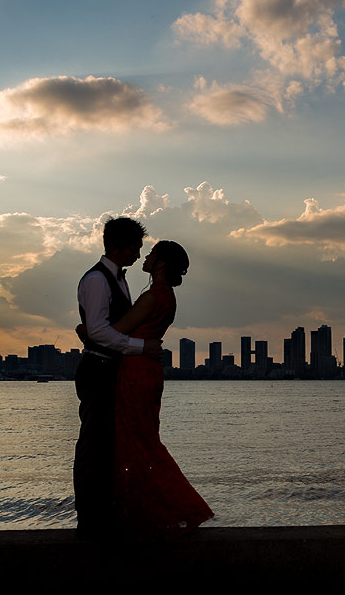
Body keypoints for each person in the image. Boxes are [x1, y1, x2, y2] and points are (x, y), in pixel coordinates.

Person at [106, 239, 214, 533]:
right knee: (144, 439)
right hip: (149, 372)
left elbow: (115, 332)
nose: (146, 256)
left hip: (135, 371)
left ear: (161, 264)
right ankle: (147, 510)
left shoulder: (152, 296)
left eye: (152, 254)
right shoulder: (168, 298)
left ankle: (172, 506)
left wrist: (84, 330)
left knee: (136, 441)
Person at [74, 216, 162, 538]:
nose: (139, 255)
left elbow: (97, 329)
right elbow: (98, 331)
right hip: (97, 369)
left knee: (107, 445)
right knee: (93, 445)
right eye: (135, 248)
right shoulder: (97, 280)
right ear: (118, 246)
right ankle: (88, 521)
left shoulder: (117, 279)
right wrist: (142, 347)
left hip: (109, 369)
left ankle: (103, 516)